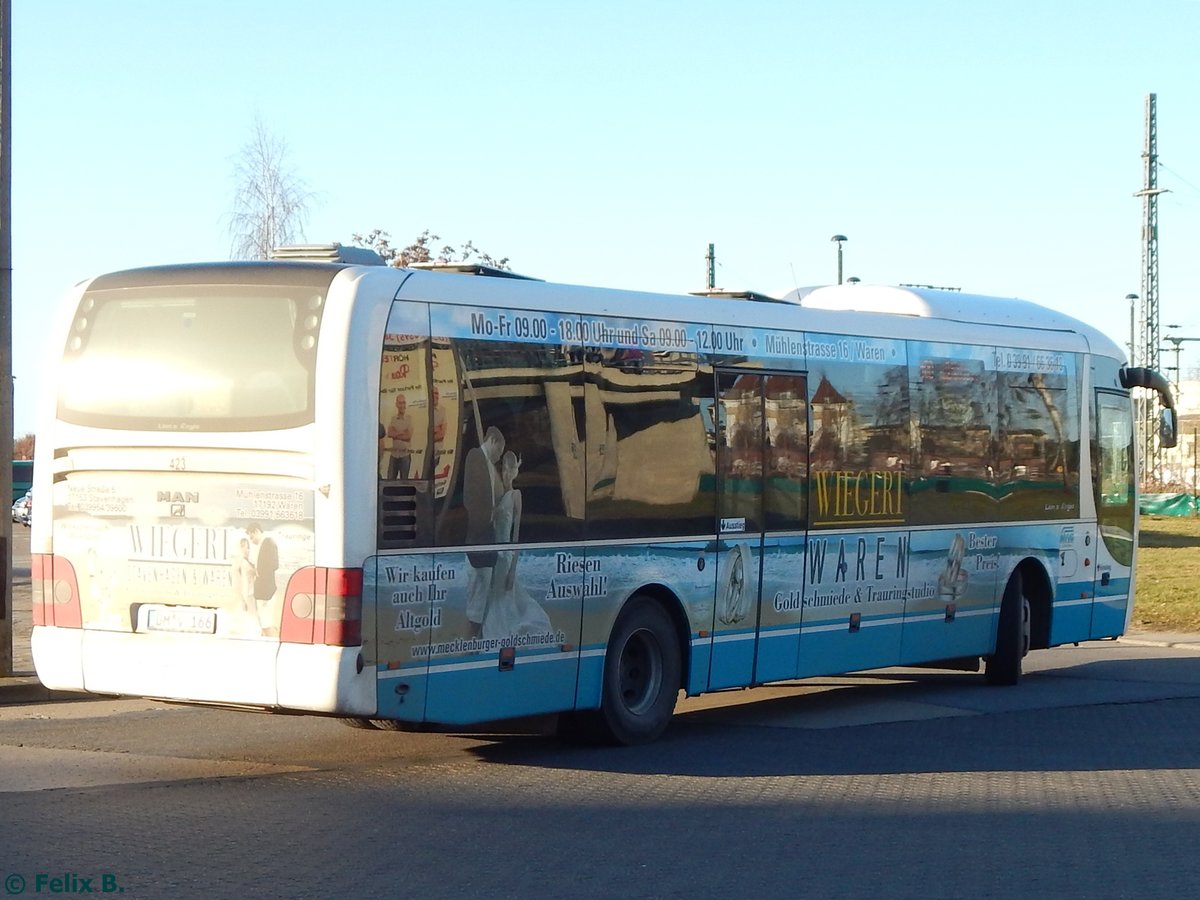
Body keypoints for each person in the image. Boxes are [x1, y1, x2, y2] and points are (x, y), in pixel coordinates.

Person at [483, 451, 552, 640]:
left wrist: (513, 569)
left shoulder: (516, 496)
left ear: (515, 472)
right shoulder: (497, 494)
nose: (506, 472)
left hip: (506, 556)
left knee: (502, 596)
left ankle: (498, 634)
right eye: (504, 468)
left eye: (510, 469)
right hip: (493, 554)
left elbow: (516, 536)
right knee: (493, 596)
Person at [462, 427, 504, 639]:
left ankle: (476, 630)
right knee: (478, 582)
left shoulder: (487, 464)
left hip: (486, 534)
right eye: (499, 451)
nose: (499, 457)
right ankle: (473, 629)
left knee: (483, 581)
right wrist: (483, 518)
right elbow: (471, 496)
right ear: (493, 440)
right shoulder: (475, 456)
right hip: (478, 534)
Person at [246, 523, 280, 636]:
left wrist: (258, 572)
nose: (251, 540)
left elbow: (274, 564)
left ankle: (271, 641)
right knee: (264, 623)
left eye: (251, 536)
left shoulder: (268, 543)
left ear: (256, 531)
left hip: (266, 592)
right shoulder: (262, 545)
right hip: (263, 591)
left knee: (267, 623)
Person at [386, 393, 414, 480]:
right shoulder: (393, 418)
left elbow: (408, 436)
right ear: (396, 404)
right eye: (400, 403)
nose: (402, 405)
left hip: (405, 455)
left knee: (404, 481)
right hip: (394, 455)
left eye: (404, 403)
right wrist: (402, 432)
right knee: (390, 480)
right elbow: (389, 433)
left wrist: (396, 434)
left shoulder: (409, 418)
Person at [230, 537, 257, 616]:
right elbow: (236, 584)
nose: (247, 549)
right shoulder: (239, 562)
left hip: (252, 595)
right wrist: (242, 601)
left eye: (248, 547)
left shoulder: (249, 562)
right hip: (246, 595)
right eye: (243, 546)